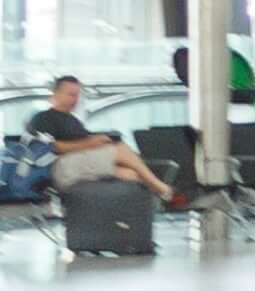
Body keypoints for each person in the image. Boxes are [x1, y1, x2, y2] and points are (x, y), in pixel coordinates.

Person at [28, 74, 184, 210]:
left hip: (77, 164)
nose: (74, 100)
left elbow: (85, 141)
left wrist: (101, 140)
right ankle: (164, 190)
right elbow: (53, 147)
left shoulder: (72, 120)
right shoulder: (43, 118)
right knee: (120, 150)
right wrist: (93, 143)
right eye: (70, 95)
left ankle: (137, 214)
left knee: (131, 173)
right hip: (59, 168)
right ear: (56, 94)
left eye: (77, 95)